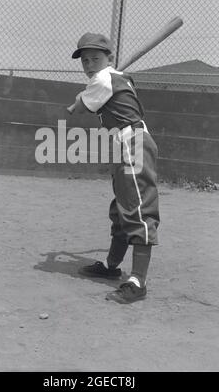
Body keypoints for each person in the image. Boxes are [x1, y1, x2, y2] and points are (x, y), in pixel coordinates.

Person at [69, 32, 160, 304]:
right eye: (84, 60)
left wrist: (77, 100)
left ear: (109, 59)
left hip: (133, 142)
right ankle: (111, 267)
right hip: (124, 143)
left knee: (138, 208)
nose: (89, 64)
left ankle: (138, 282)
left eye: (95, 58)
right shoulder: (115, 78)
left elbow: (80, 107)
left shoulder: (104, 78)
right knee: (122, 206)